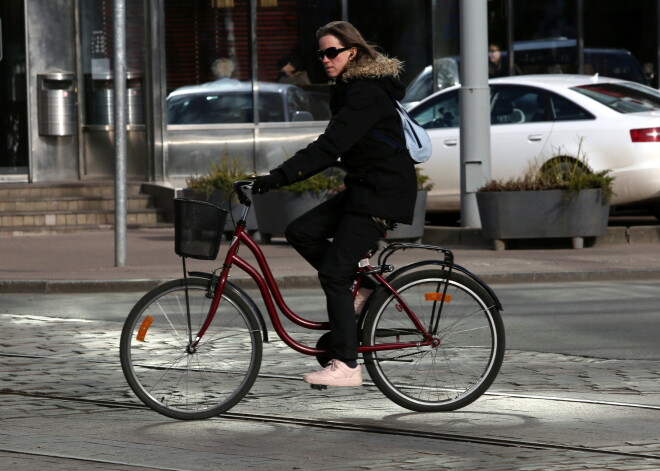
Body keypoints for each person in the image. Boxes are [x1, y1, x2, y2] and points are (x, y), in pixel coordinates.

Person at [252, 21, 417, 387]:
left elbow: (330, 146)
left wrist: (277, 177)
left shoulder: (365, 92)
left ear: (352, 53)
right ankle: (361, 289)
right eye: (321, 54)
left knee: (333, 274)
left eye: (332, 52)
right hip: (364, 188)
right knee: (300, 231)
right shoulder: (348, 89)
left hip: (383, 193)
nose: (325, 59)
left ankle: (347, 364)